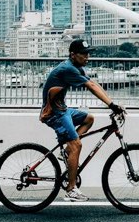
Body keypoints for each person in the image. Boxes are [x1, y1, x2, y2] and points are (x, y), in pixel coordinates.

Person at [39, 38, 123, 202]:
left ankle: (68, 152)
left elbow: (93, 83)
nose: (87, 57)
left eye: (88, 54)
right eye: (84, 54)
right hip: (53, 113)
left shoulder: (76, 67)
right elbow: (91, 88)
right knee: (77, 144)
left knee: (89, 119)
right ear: (73, 54)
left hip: (62, 110)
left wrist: (113, 103)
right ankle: (71, 189)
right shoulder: (68, 69)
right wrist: (112, 106)